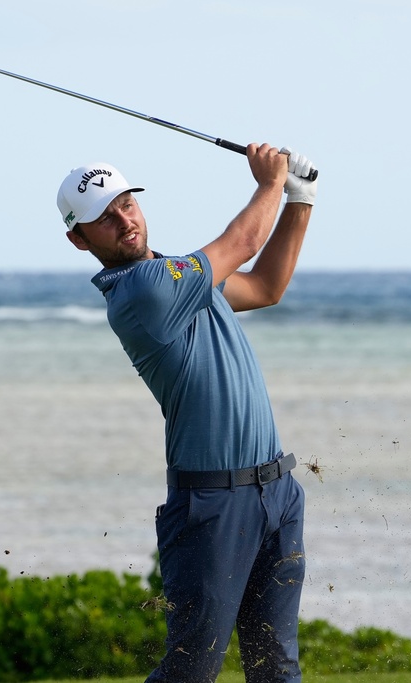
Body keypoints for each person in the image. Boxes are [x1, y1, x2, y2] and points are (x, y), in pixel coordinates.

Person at [56, 143, 317, 683]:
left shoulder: (182, 277)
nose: (122, 220)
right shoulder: (143, 292)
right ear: (79, 240)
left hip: (277, 492)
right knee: (192, 670)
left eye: (125, 203)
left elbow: (267, 288)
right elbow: (243, 242)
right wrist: (270, 182)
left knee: (277, 668)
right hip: (212, 506)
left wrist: (299, 197)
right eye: (102, 219)